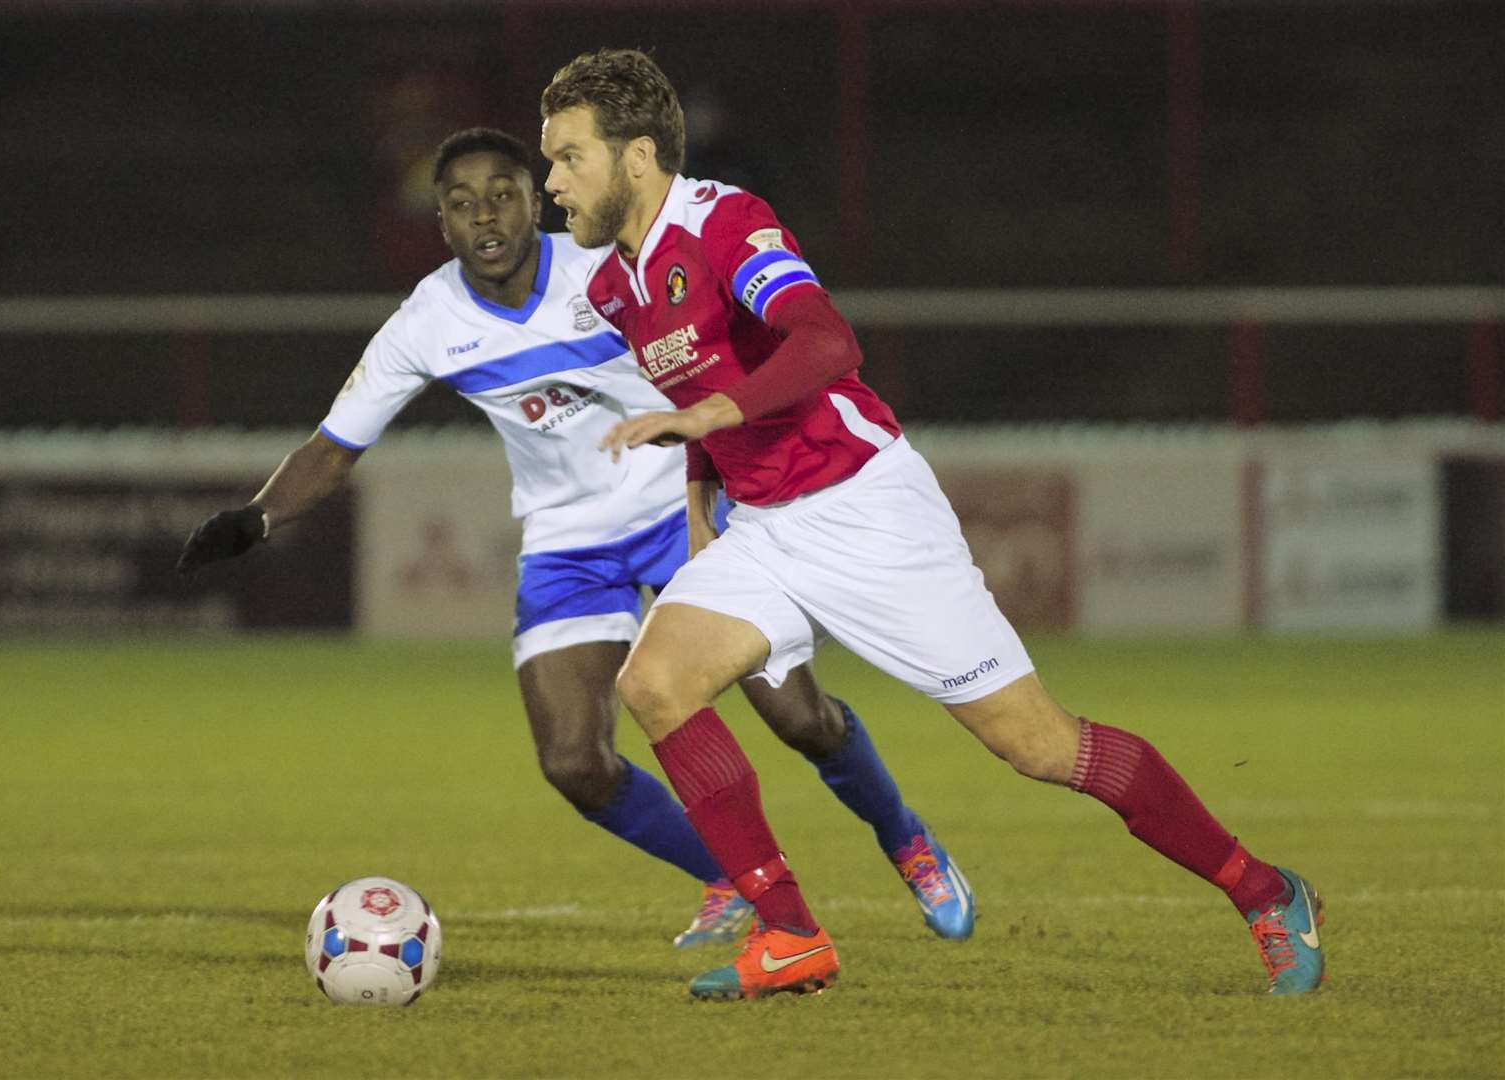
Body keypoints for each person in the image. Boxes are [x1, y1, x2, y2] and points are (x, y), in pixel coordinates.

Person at [538, 49, 1326, 1001]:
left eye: (568, 158)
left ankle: (1266, 891)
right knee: (656, 684)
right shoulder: (614, 286)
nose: (550, 184)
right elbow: (697, 388)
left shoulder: (723, 223)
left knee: (1038, 746)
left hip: (866, 509)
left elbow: (827, 342)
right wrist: (702, 508)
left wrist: (709, 421)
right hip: (767, 530)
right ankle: (789, 934)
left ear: (636, 157)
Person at [175, 127, 974, 951]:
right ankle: (732, 878)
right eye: (460, 204)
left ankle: (905, 838)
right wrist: (256, 518)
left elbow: (726, 351)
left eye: (502, 194)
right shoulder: (428, 319)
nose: (484, 216)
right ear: (441, 225)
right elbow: (334, 446)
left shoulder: (604, 271)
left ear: (536, 199)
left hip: (680, 510)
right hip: (568, 542)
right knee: (574, 764)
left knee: (798, 715)